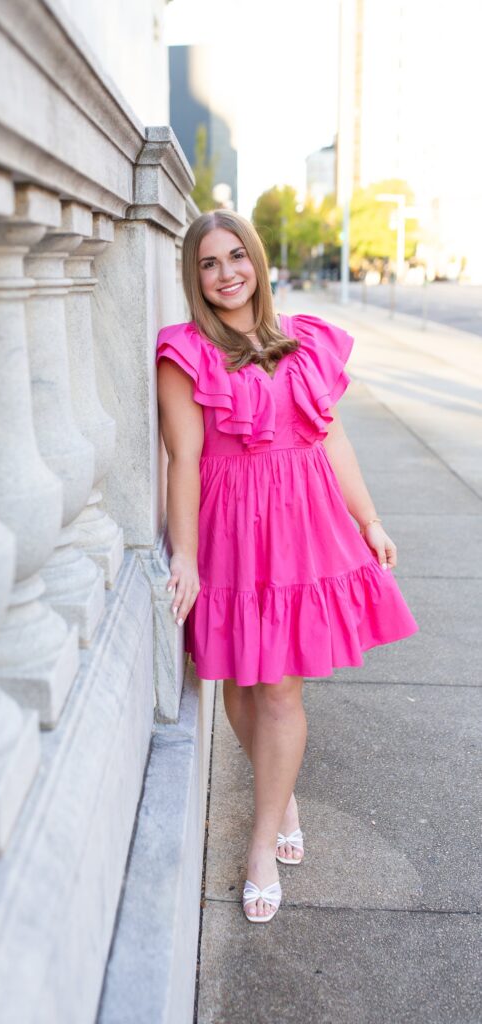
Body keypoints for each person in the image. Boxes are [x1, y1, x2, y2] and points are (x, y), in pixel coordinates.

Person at [155, 210, 419, 925]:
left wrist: (368, 520)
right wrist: (184, 552)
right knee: (243, 678)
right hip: (230, 529)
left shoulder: (304, 343)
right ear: (193, 276)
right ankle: (283, 787)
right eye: (208, 263)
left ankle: (261, 845)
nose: (225, 274)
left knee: (280, 690)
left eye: (235, 256)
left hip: (304, 526)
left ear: (257, 261)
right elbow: (182, 460)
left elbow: (332, 443)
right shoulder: (183, 352)